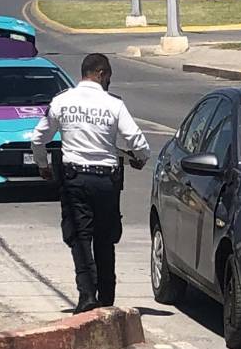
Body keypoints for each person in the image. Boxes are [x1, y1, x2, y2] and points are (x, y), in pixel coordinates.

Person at [30, 53, 151, 314]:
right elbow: (138, 142)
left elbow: (38, 138)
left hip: (74, 178)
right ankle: (107, 296)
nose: (108, 82)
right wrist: (140, 159)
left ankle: (87, 295)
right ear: (101, 74)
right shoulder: (113, 104)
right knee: (105, 238)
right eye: (108, 77)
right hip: (106, 181)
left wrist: (43, 166)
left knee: (80, 237)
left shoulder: (62, 101)